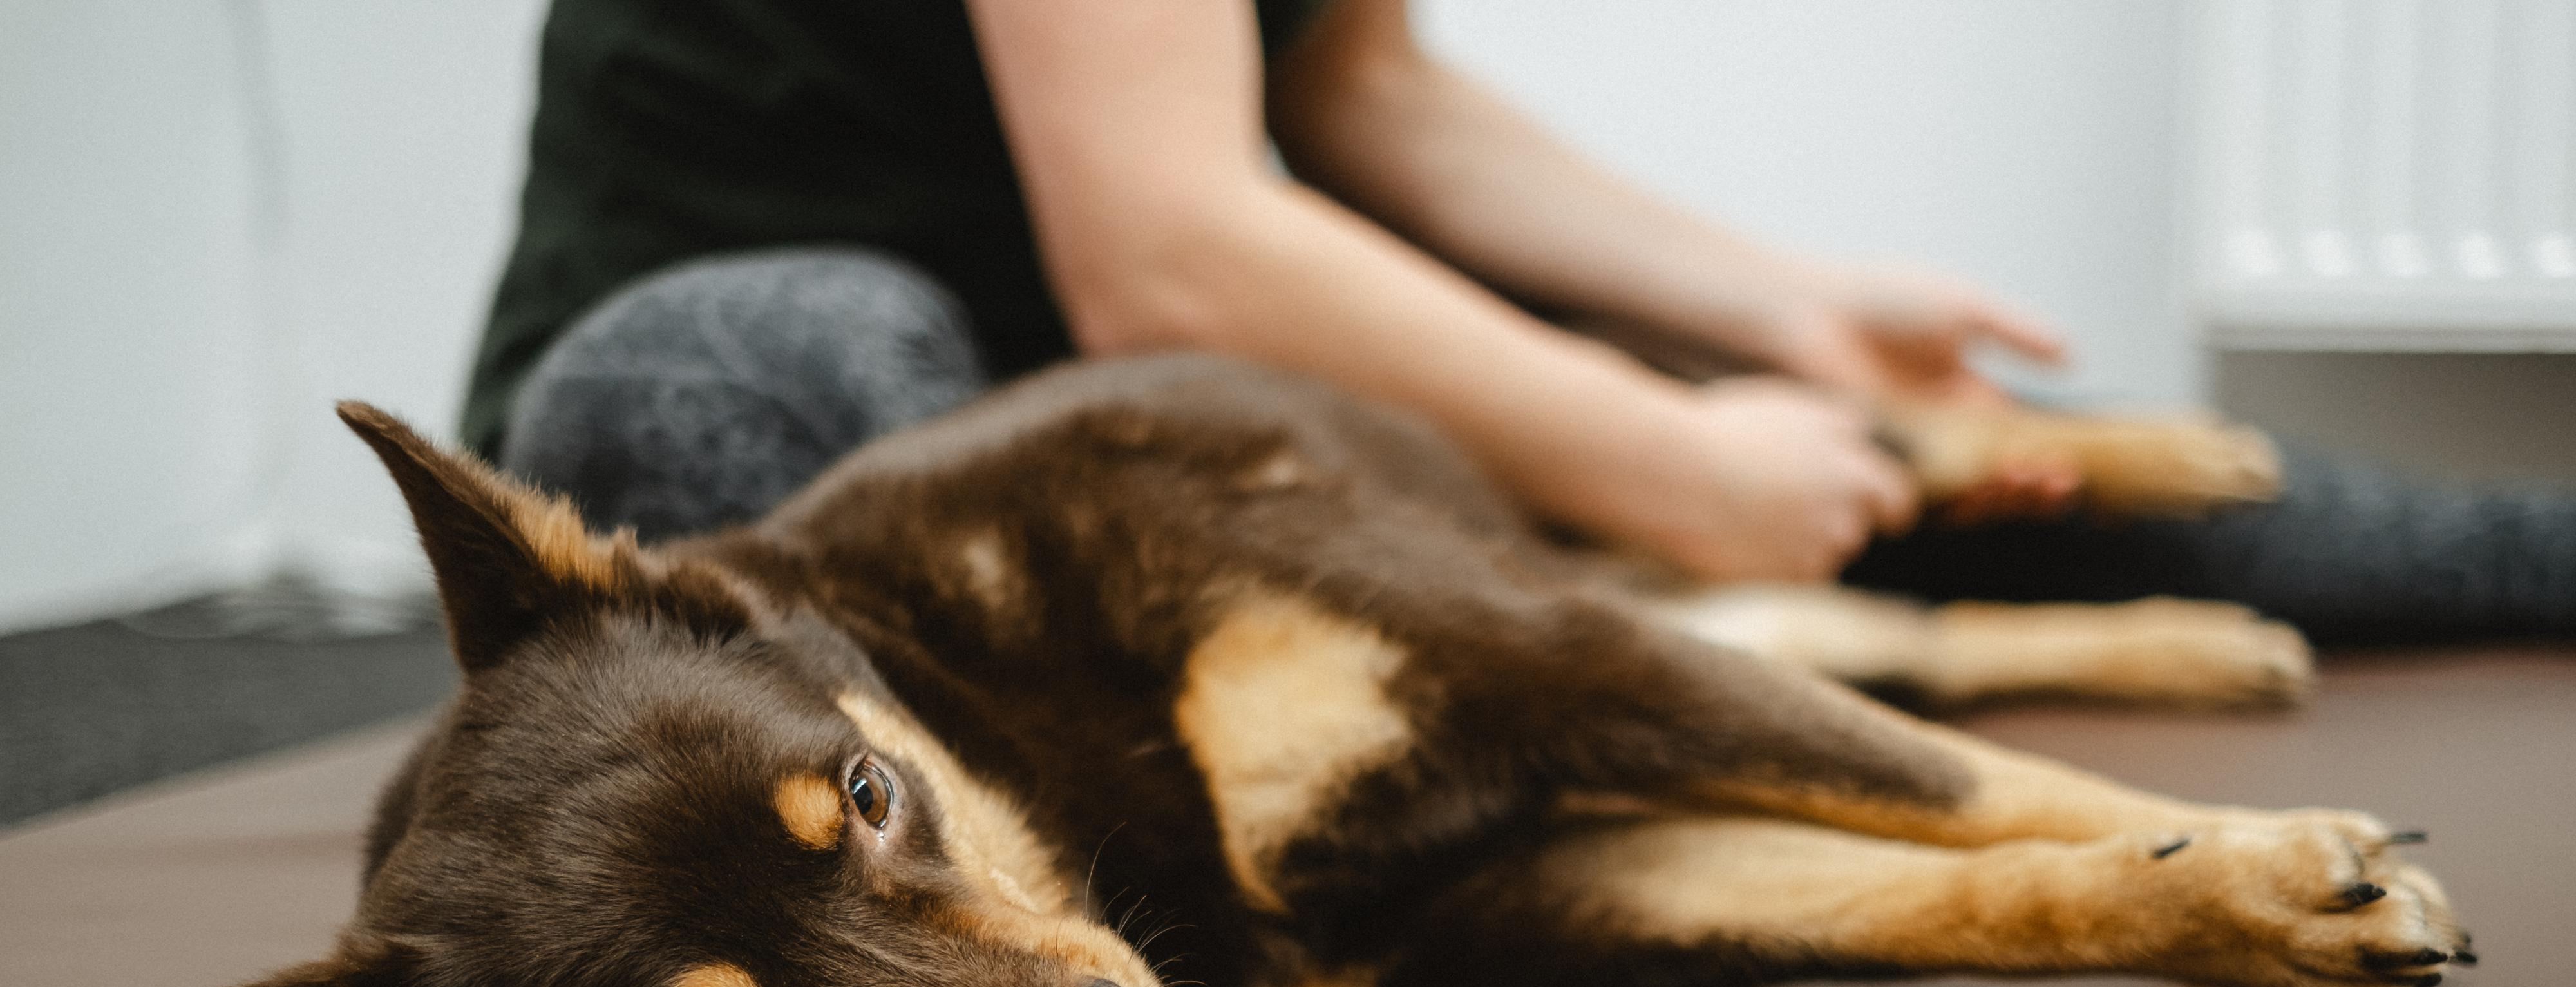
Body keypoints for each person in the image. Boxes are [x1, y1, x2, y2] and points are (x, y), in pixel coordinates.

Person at [464, 0, 2576, 644]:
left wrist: (1777, 314)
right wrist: (1668, 465)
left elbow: (1358, 92)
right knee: (791, 379)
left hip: (1083, 391)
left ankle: (2516, 553)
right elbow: (1174, 249)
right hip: (735, 417)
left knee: (1911, 443)